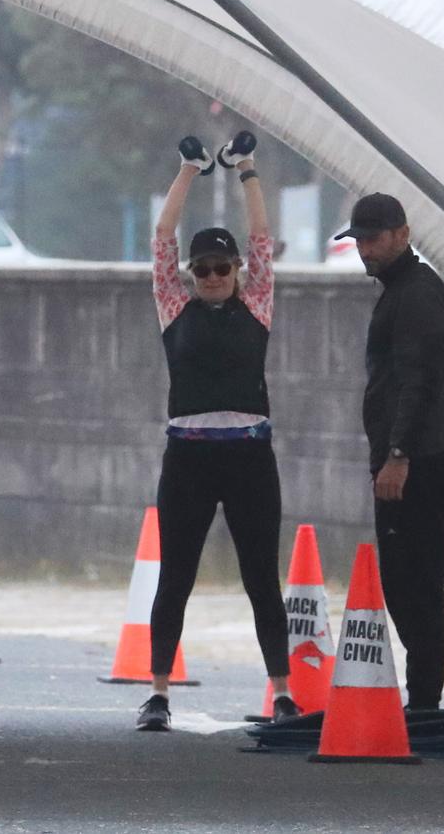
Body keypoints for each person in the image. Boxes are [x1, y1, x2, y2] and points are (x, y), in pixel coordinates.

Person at [136, 133, 298, 731]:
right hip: (188, 457)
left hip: (250, 456)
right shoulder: (174, 309)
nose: (209, 276)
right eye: (201, 268)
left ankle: (281, 690)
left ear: (237, 271)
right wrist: (188, 171)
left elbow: (261, 238)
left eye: (220, 267)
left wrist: (247, 171)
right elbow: (161, 242)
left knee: (261, 575)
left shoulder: (255, 305)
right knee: (175, 574)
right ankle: (157, 692)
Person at [334, 193, 444, 711]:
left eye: (374, 239)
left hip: (417, 463)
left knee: (411, 582)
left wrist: (398, 454)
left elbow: (416, 381)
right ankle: (423, 696)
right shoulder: (405, 291)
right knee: (412, 582)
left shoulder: (417, 295)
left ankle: (422, 702)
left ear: (403, 235)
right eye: (359, 240)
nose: (365, 250)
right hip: (413, 459)